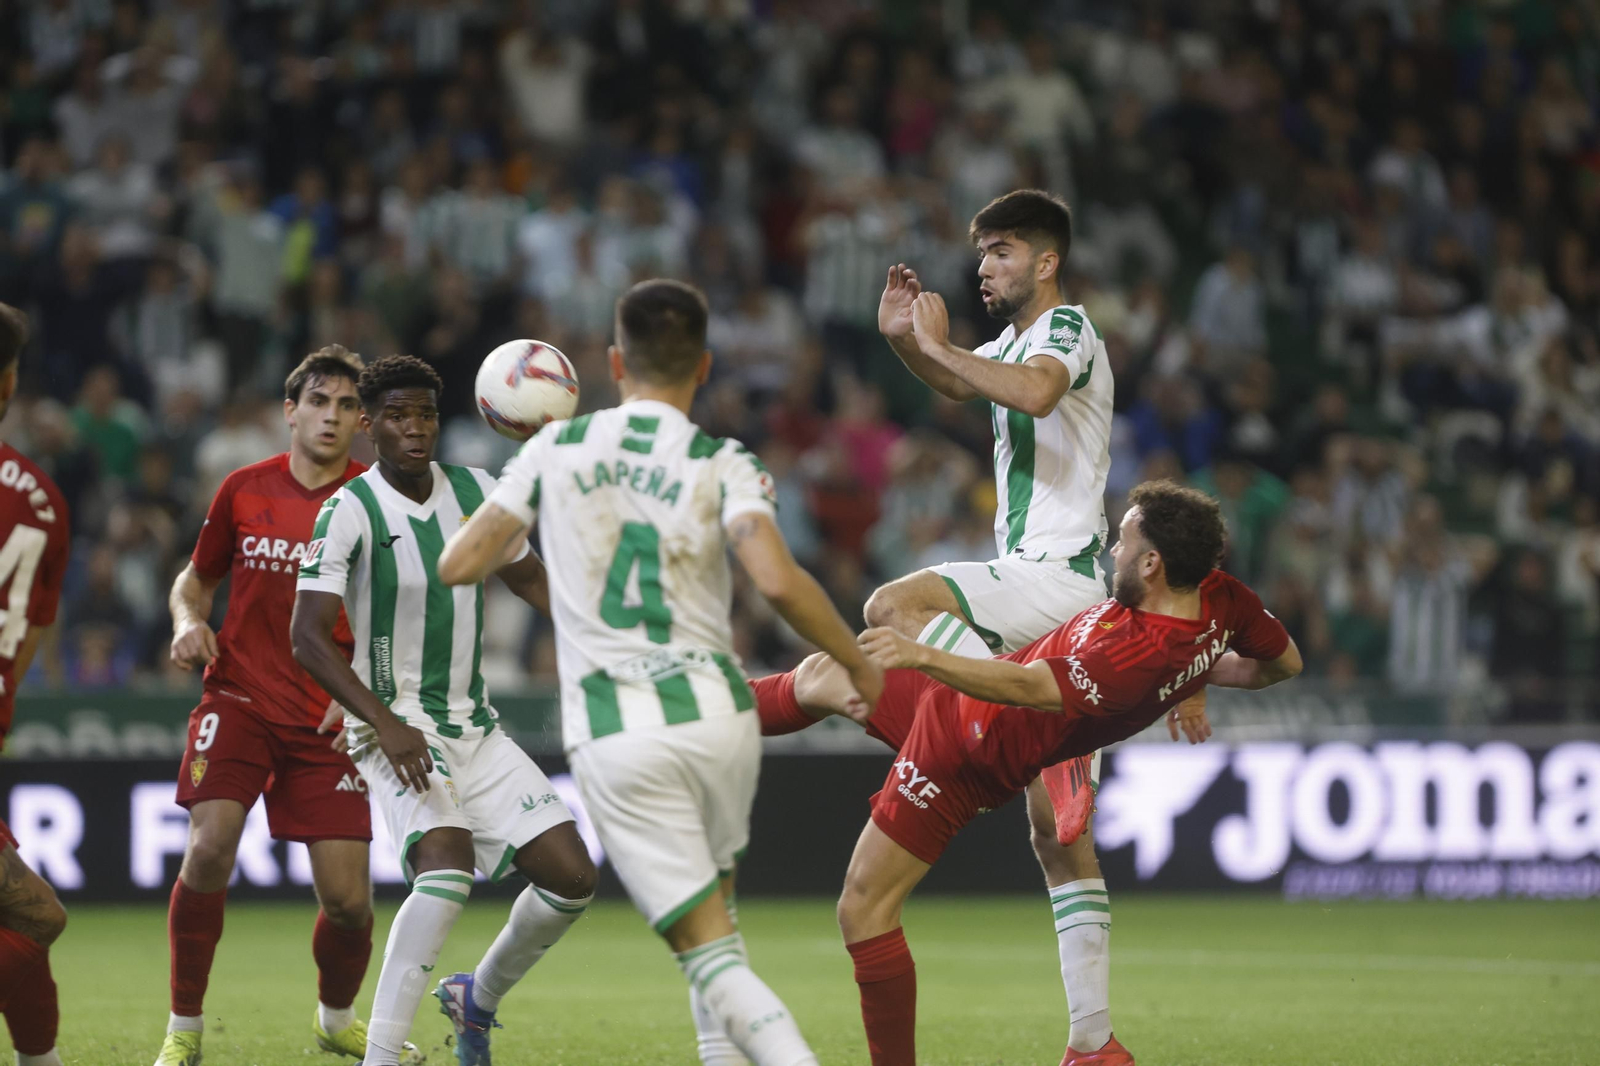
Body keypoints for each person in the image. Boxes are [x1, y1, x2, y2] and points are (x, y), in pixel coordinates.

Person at [439, 280, 883, 1066]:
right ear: (705, 366)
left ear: (613, 363)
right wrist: (853, 659)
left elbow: (460, 562)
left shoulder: (555, 450)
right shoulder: (724, 461)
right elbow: (777, 582)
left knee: (707, 950)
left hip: (623, 728)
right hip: (719, 715)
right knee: (720, 923)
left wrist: (537, 494)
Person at [754, 480, 1303, 1065]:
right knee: (821, 677)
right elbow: (1282, 663)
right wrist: (1193, 678)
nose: (1112, 553)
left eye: (1122, 542)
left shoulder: (1132, 656)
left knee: (863, 909)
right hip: (971, 703)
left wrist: (923, 655)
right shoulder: (1223, 598)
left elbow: (1028, 686)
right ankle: (698, 706)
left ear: (1152, 563)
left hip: (968, 747)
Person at [864, 188, 1145, 1064]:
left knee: (892, 611)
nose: (983, 267)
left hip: (1053, 578)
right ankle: (1095, 1044)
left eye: (1001, 253)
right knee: (1055, 840)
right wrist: (907, 344)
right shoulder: (1015, 341)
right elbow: (959, 381)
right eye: (982, 254)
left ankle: (982, 729)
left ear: (1046, 261)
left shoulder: (1066, 332)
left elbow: (1032, 395)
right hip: (1056, 597)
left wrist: (939, 342)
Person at [291, 355, 597, 1066]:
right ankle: (382, 1054)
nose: (414, 428)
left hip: (473, 726)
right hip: (394, 726)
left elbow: (526, 578)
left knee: (574, 878)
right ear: (369, 426)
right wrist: (385, 723)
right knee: (447, 864)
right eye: (397, 415)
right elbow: (307, 636)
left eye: (425, 414)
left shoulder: (477, 491)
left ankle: (475, 998)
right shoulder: (349, 510)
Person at [156, 346, 383, 1066]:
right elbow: (194, 581)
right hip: (241, 695)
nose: (332, 417)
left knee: (349, 902)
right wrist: (188, 624)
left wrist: (364, 701)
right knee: (210, 845)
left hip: (331, 716)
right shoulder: (243, 490)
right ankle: (184, 1030)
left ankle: (335, 1018)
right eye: (319, 402)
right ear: (291, 411)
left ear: (362, 421)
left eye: (348, 406)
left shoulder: (377, 502)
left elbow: (394, 622)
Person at [0, 303, 72, 1066]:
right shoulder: (40, 502)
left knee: (24, 916)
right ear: (10, 383)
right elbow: (27, 639)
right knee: (35, 917)